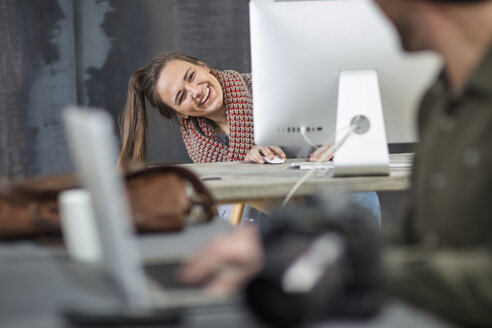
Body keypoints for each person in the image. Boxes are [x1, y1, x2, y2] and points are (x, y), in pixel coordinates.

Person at [179, 0, 492, 326]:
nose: (375, 10)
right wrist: (299, 249)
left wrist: (356, 262)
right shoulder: (438, 102)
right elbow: (422, 242)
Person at [117, 52, 381, 225]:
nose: (195, 91)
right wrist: (247, 168)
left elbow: (350, 120)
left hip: (336, 204)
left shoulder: (270, 89)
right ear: (181, 115)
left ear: (204, 67)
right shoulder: (203, 151)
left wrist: (342, 140)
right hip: (282, 230)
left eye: (191, 77)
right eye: (181, 96)